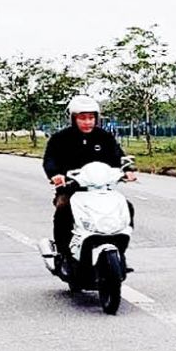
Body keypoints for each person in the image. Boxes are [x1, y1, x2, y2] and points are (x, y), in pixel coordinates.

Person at [42, 95, 134, 270]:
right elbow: (50, 160)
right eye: (82, 118)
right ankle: (63, 254)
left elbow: (118, 156)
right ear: (73, 118)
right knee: (63, 208)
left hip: (102, 189)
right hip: (72, 189)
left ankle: (119, 252)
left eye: (91, 117)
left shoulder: (104, 137)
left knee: (126, 207)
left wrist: (127, 170)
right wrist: (55, 175)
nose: (87, 122)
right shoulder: (60, 139)